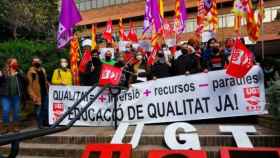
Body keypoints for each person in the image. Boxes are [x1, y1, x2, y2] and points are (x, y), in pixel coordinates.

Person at [0, 58, 25, 134]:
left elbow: (25, 80)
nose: (15, 64)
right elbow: (0, 82)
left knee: (17, 111)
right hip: (5, 95)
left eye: (16, 62)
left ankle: (16, 126)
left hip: (16, 95)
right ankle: (5, 127)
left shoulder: (19, 71)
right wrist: (1, 76)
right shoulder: (4, 71)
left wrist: (19, 74)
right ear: (9, 63)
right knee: (5, 110)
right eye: (14, 62)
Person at [27, 57, 49, 129]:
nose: (37, 62)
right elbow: (29, 86)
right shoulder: (31, 72)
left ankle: (45, 123)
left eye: (38, 61)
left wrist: (48, 85)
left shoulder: (43, 70)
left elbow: (45, 81)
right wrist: (33, 96)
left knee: (45, 108)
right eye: (35, 61)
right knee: (38, 110)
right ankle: (40, 125)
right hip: (37, 94)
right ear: (32, 63)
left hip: (45, 92)